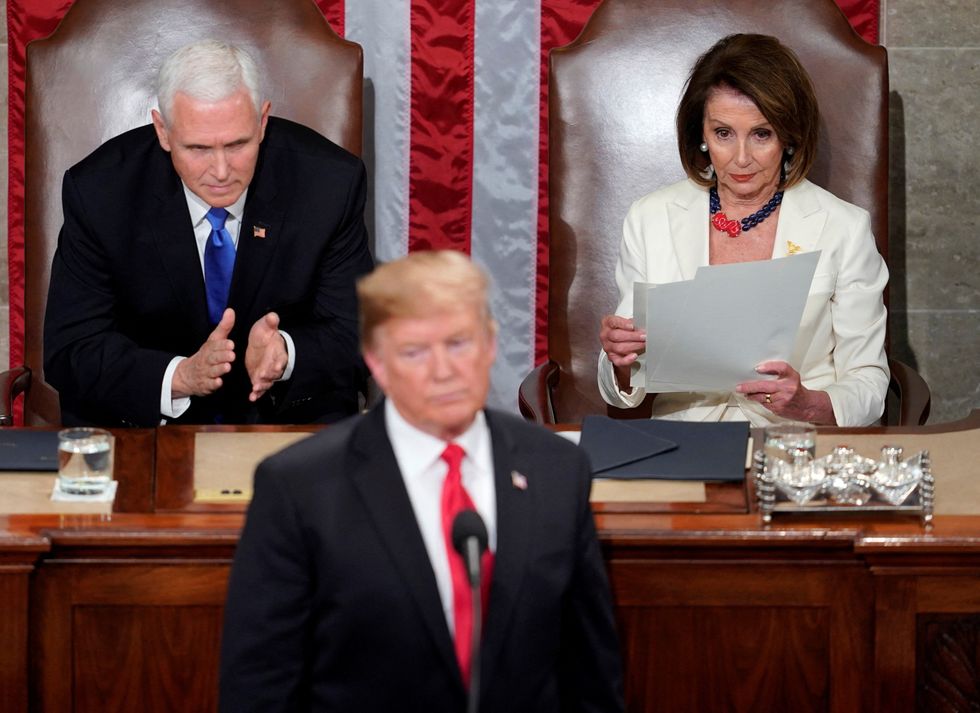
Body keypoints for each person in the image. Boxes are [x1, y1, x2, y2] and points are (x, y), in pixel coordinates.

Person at [220, 250, 624, 713]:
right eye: (414, 351)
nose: (443, 370)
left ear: (490, 345)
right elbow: (259, 690)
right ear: (376, 362)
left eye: (459, 343)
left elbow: (591, 678)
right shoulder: (300, 488)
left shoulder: (556, 470)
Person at [43, 39, 373, 426]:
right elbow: (72, 348)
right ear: (163, 131)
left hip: (285, 423)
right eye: (198, 148)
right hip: (149, 431)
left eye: (237, 144)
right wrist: (178, 377)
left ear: (262, 121)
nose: (220, 171)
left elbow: (358, 331)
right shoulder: (100, 192)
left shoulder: (329, 184)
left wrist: (286, 354)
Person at [597, 33, 889, 427]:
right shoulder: (651, 217)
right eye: (723, 133)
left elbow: (869, 382)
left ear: (789, 137)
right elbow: (624, 383)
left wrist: (808, 404)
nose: (741, 158)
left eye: (761, 134)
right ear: (701, 135)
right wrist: (619, 361)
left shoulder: (844, 227)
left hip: (795, 441)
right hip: (686, 440)